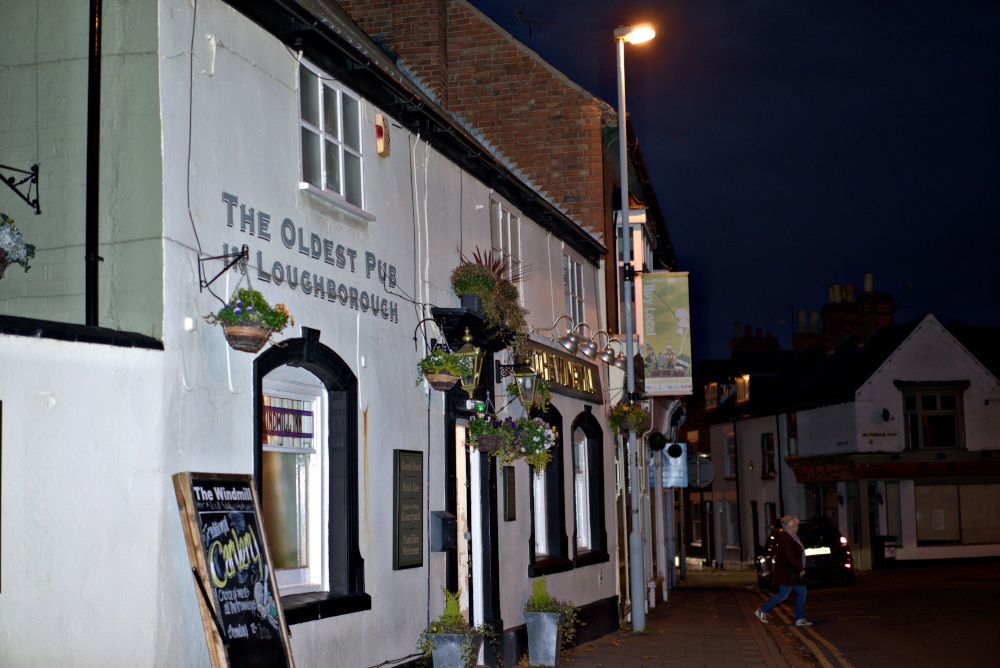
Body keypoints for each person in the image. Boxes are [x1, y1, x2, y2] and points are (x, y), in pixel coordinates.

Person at [755, 515, 813, 627]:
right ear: (791, 527)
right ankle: (762, 610)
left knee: (801, 592)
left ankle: (800, 618)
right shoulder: (786, 538)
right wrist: (800, 568)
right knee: (784, 595)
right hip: (788, 573)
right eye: (796, 525)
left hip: (791, 573)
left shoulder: (792, 537)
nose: (798, 527)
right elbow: (789, 556)